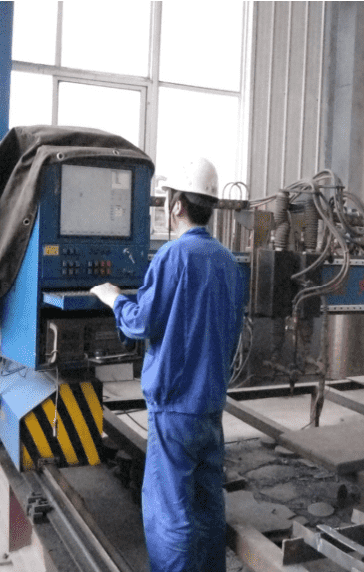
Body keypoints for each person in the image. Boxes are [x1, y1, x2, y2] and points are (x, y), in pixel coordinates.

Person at [90, 157, 246, 572]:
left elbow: (142, 323)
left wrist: (114, 298)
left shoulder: (173, 256)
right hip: (210, 405)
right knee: (207, 504)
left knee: (170, 512)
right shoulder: (228, 262)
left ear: (175, 205)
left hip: (174, 408)